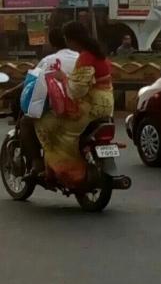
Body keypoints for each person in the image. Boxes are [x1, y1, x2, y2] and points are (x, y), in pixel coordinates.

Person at [34, 20, 115, 187]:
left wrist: (63, 78)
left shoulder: (86, 57)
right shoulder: (99, 54)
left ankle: (68, 172)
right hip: (107, 104)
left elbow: (76, 91)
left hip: (91, 106)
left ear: (72, 39)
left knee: (46, 124)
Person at [17, 24, 78, 175]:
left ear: (52, 43)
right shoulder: (80, 58)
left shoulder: (49, 60)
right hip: (86, 108)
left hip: (61, 111)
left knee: (26, 122)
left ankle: (37, 162)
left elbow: (34, 83)